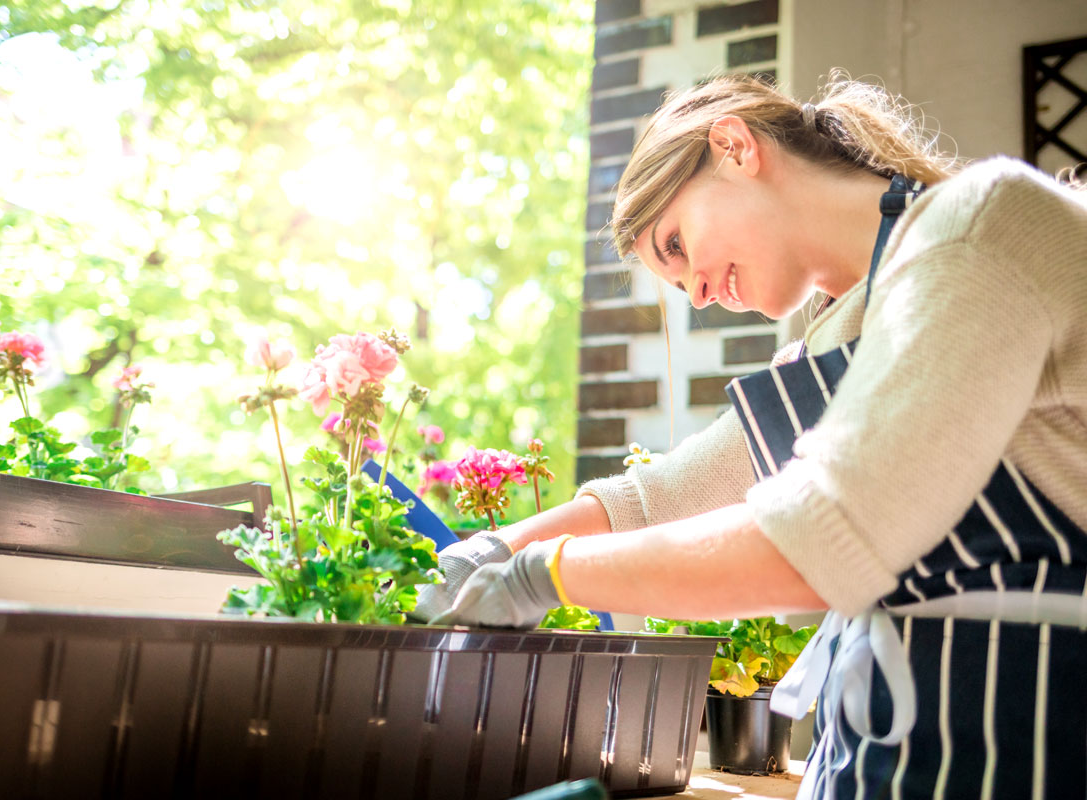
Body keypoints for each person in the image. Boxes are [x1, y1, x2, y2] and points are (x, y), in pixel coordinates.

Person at [413, 74, 1087, 798]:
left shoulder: (980, 227)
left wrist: (543, 574)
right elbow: (664, 495)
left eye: (677, 245)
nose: (698, 295)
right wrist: (483, 554)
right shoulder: (844, 329)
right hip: (879, 760)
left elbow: (820, 539)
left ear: (734, 147)